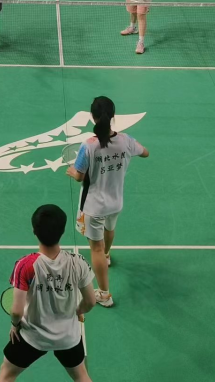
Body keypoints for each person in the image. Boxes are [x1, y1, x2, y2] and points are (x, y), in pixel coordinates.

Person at [66, 97, 149, 308]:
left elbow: (79, 176)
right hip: (116, 202)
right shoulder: (126, 140)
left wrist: (72, 171)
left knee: (95, 249)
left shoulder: (89, 145)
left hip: (94, 206)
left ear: (92, 117)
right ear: (113, 116)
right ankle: (107, 255)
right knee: (109, 229)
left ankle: (104, 294)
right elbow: (145, 152)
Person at [0, 204, 96, 382]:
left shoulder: (25, 265)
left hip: (33, 337)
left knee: (7, 374)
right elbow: (90, 301)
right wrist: (78, 311)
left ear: (34, 231)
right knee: (81, 376)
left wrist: (15, 325)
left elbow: (17, 311)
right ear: (63, 231)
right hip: (68, 337)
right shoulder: (78, 262)